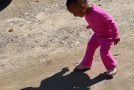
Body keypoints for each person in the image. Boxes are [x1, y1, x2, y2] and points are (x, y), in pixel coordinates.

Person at [66, 0, 120, 76]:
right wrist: (91, 24)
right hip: (97, 34)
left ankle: (112, 66)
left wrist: (116, 35)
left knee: (104, 52)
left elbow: (111, 22)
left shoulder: (98, 12)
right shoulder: (87, 11)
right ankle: (86, 64)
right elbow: (95, 20)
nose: (75, 15)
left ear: (83, 7)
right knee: (90, 46)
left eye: (75, 13)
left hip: (107, 36)